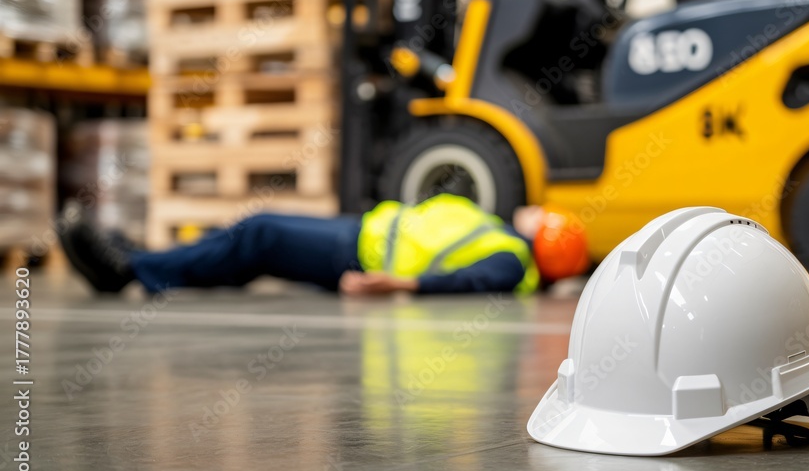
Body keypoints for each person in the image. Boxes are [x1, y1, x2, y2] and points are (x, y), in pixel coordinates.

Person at [58, 194, 590, 296]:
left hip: (355, 255)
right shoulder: (501, 238)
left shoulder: (509, 258)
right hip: (357, 236)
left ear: (543, 237)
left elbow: (472, 282)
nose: (539, 208)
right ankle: (144, 259)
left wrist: (398, 284)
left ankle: (130, 269)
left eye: (547, 217)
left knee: (261, 234)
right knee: (253, 243)